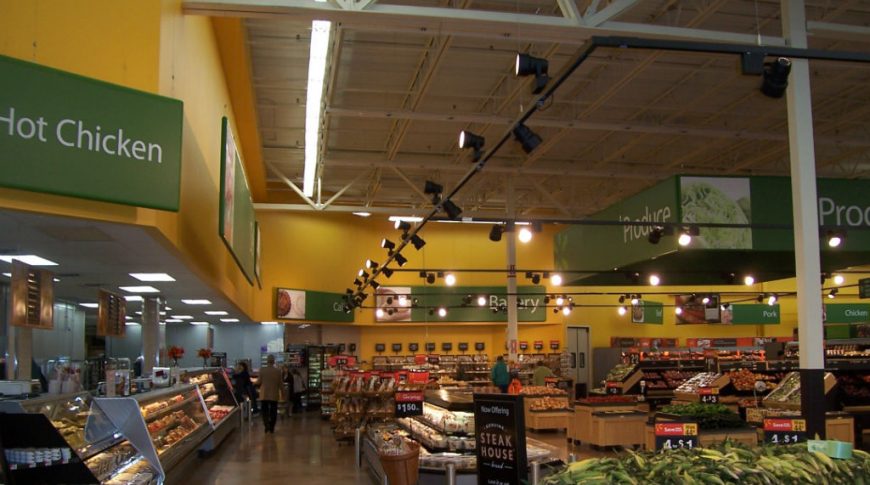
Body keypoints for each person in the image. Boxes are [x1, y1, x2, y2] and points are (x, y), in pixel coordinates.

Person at [258, 354, 283, 433]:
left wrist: (253, 383)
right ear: (274, 361)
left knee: (264, 411)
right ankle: (272, 427)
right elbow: (280, 384)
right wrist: (283, 393)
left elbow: (259, 381)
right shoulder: (278, 371)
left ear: (267, 361)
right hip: (274, 394)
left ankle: (266, 426)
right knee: (273, 411)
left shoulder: (262, 370)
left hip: (264, 394)